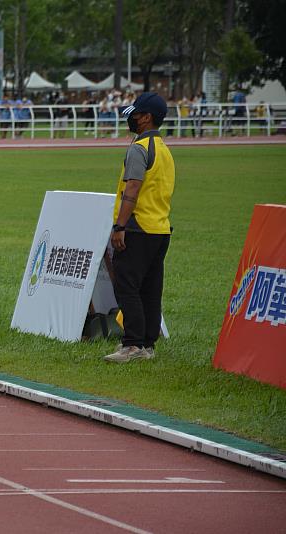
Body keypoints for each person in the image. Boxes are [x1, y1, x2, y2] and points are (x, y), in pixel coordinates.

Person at [104, 92, 175, 363]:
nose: (131, 119)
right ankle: (147, 346)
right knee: (150, 289)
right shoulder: (165, 150)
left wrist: (119, 225)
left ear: (146, 118)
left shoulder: (139, 148)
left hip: (137, 227)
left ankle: (131, 344)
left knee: (127, 287)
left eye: (135, 114)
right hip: (160, 228)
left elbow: (131, 189)